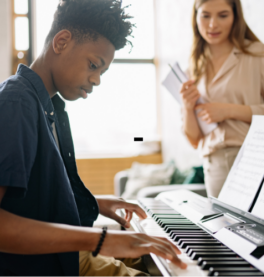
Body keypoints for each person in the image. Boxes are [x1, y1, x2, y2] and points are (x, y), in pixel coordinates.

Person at [0, 0, 187, 275]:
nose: (97, 80)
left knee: (166, 259)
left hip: (66, 255)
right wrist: (103, 239)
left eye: (102, 71)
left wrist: (96, 203)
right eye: (93, 65)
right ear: (61, 42)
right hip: (47, 265)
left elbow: (33, 202)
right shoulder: (17, 103)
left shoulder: (51, 106)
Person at [181, 0, 264, 198]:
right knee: (221, 228)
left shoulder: (260, 55)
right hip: (215, 165)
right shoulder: (193, 68)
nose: (213, 24)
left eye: (223, 15)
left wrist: (229, 110)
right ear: (195, 17)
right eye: (205, 15)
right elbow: (194, 139)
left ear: (235, 17)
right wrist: (187, 108)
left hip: (257, 159)